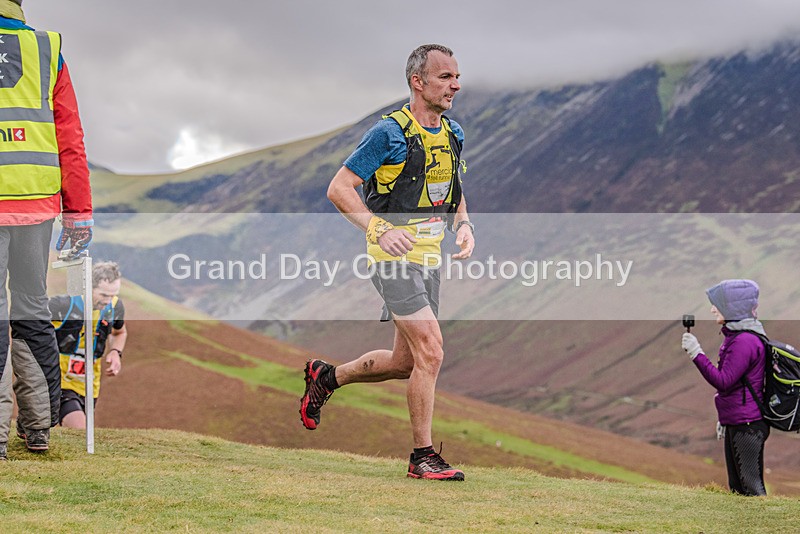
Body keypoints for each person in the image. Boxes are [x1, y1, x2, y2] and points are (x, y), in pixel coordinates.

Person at [300, 44, 474, 481]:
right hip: (391, 257)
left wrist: (465, 225)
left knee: (407, 363)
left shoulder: (454, 133)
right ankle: (422, 457)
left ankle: (326, 377)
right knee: (432, 352)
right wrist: (378, 229)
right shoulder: (389, 133)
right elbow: (339, 188)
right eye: (444, 77)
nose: (455, 84)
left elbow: (451, 189)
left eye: (456, 76)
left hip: (429, 257)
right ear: (418, 82)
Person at [0, 0, 93, 456]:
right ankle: (38, 429)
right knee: (31, 306)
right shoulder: (46, 48)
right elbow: (69, 136)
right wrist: (79, 213)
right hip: (37, 204)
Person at [682, 279, 769, 496]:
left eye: (718, 304)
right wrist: (725, 418)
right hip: (739, 421)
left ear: (733, 308)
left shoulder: (744, 341)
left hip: (746, 424)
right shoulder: (738, 337)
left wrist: (696, 353)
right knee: (738, 488)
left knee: (750, 487)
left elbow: (723, 381)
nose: (712, 309)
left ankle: (763, 527)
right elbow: (735, 386)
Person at [50, 261, 126, 429]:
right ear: (88, 286)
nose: (108, 300)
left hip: (90, 384)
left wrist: (115, 352)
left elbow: (119, 332)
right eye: (104, 295)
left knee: (79, 430)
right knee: (80, 429)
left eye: (113, 295)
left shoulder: (114, 307)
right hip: (59, 380)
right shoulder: (64, 305)